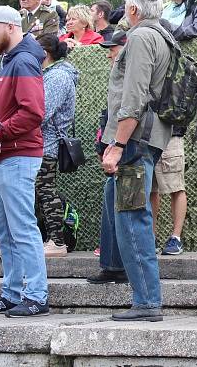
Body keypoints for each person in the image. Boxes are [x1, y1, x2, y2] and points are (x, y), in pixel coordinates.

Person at [98, 0, 173, 322]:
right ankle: (139, 292)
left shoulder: (142, 36)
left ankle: (146, 302)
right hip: (148, 138)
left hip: (134, 141)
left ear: (132, 9)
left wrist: (117, 144)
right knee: (127, 214)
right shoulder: (165, 35)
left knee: (132, 219)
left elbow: (134, 97)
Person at [0, 6, 49, 318]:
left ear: (10, 27)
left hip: (17, 154)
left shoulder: (23, 60)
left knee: (22, 228)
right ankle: (13, 292)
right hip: (4, 155)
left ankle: (36, 296)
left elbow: (33, 112)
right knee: (5, 230)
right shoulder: (12, 60)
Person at [87, 30, 130, 284]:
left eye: (112, 49)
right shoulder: (119, 75)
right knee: (111, 199)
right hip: (115, 145)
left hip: (127, 148)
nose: (109, 55)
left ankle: (120, 266)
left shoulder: (130, 74)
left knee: (124, 206)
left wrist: (117, 145)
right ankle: (112, 264)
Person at [34, 34, 79, 258]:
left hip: (46, 145)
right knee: (39, 193)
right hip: (41, 144)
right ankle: (47, 239)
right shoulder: (50, 75)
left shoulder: (58, 77)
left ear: (45, 53)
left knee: (45, 192)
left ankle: (57, 242)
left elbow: (42, 112)